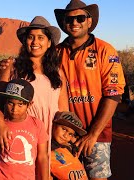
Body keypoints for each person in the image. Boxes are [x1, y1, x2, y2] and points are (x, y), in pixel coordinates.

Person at [54, 0, 126, 179]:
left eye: (80, 18)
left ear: (89, 21)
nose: (74, 23)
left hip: (96, 135)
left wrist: (93, 134)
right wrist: (8, 66)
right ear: (63, 23)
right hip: (64, 134)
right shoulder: (55, 53)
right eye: (69, 19)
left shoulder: (105, 51)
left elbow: (114, 94)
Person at [0, 16, 69, 153]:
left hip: (49, 136)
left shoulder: (57, 72)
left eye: (41, 37)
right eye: (31, 37)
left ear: (49, 43)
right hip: (21, 133)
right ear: (25, 41)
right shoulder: (12, 67)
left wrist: (64, 134)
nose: (35, 42)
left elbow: (63, 110)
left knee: (44, 172)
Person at [0, 78, 49, 180]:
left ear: (29, 104)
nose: (15, 109)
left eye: (20, 104)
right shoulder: (1, 126)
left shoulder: (37, 125)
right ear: (5, 102)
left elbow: (43, 157)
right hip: (0, 176)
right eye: (10, 103)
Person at [51, 111, 88, 180]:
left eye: (70, 134)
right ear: (54, 124)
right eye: (64, 129)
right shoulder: (48, 149)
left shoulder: (71, 148)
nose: (65, 136)